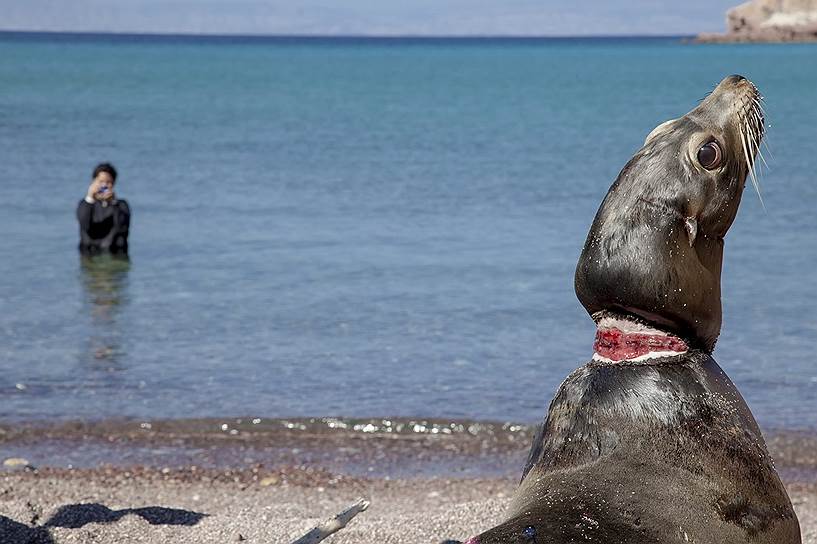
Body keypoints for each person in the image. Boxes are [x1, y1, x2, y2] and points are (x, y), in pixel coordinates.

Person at [77, 163, 130, 255]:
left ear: (113, 184)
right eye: (100, 182)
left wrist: (113, 202)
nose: (104, 186)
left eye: (108, 182)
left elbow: (122, 227)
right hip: (90, 255)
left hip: (115, 256)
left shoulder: (121, 205)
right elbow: (84, 225)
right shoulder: (85, 204)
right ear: (93, 182)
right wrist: (90, 197)